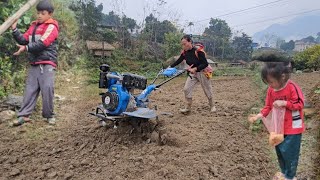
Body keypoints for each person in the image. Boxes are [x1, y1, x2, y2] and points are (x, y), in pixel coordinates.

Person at [249, 56, 305, 180]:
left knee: (290, 153)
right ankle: (284, 173)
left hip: (293, 127)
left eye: (271, 81)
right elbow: (268, 106)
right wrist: (258, 116)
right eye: (267, 82)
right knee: (280, 151)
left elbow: (300, 104)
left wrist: (285, 103)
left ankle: (290, 176)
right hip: (278, 128)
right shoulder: (271, 90)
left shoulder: (291, 87)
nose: (270, 85)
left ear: (283, 76)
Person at [11, 0, 59, 126]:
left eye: (43, 13)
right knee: (30, 89)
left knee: (47, 88)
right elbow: (24, 40)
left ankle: (49, 115)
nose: (39, 15)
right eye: (38, 13)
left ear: (50, 14)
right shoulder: (33, 26)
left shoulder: (52, 27)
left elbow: (42, 43)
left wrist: (26, 48)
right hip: (34, 62)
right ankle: (24, 116)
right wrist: (14, 29)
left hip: (47, 62)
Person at [169, 35, 216, 113]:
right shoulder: (185, 53)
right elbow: (179, 60)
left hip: (202, 72)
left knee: (207, 89)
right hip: (192, 73)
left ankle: (212, 106)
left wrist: (195, 69)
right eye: (182, 44)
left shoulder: (198, 51)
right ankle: (188, 107)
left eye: (184, 44)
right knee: (186, 89)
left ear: (190, 42)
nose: (183, 46)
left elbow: (205, 64)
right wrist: (170, 67)